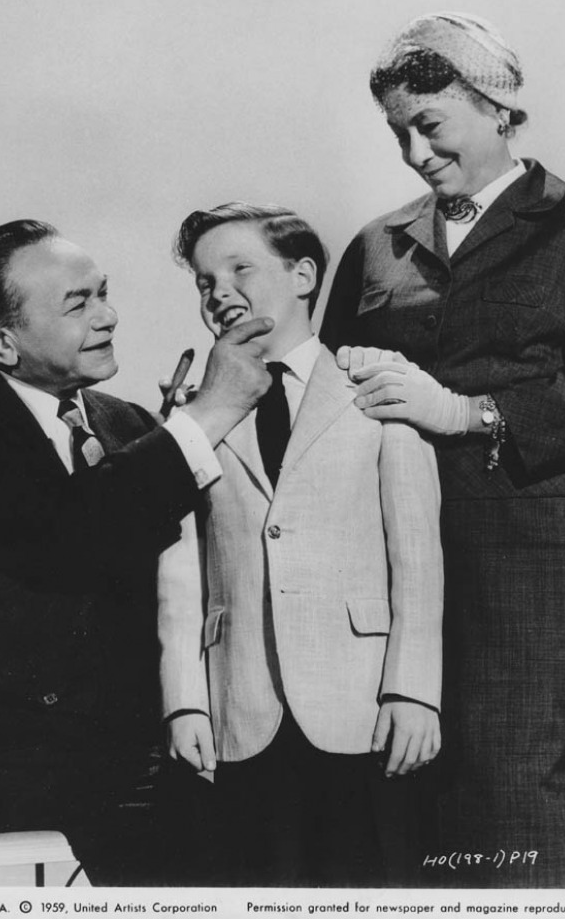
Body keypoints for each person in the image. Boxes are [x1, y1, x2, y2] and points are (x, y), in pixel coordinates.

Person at [0, 218, 273, 887]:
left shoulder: (131, 424)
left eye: (103, 293)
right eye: (77, 304)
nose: (108, 317)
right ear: (0, 341)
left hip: (119, 757)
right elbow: (67, 533)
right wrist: (208, 413)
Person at [320, 12, 565, 889]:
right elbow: (323, 387)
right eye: (397, 133)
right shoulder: (376, 244)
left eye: (430, 124)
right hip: (382, 551)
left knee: (517, 783)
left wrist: (467, 413)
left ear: (497, 108)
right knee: (394, 794)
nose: (415, 153)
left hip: (522, 549)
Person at [157, 203, 444, 887]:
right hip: (239, 702)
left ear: (304, 276)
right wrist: (185, 701)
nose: (219, 291)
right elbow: (181, 574)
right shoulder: (193, 414)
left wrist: (414, 691)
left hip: (361, 702)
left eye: (240, 269)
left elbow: (417, 559)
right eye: (204, 281)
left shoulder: (376, 386)